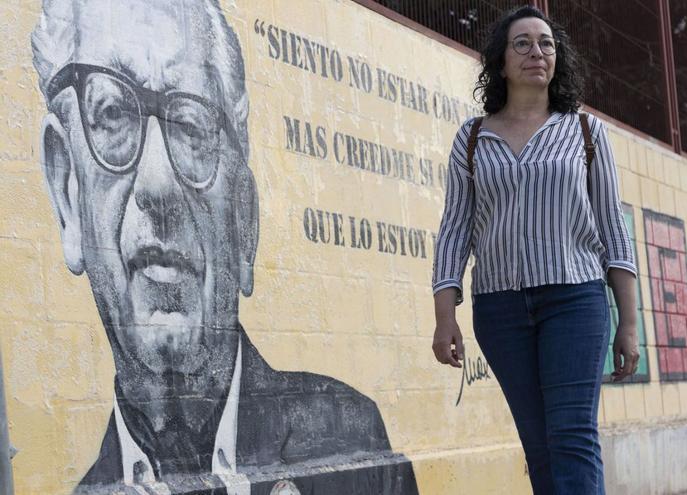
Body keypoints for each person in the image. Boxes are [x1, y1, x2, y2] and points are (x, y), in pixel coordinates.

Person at [31, 0, 418, 493]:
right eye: (112, 115)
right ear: (67, 195)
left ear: (243, 220)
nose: (158, 182)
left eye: (192, 128)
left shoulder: (357, 450)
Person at [431, 6, 639, 494]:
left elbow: (613, 227)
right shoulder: (473, 137)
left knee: (572, 436)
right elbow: (455, 229)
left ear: (557, 59)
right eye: (521, 44)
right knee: (539, 443)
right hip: (500, 309)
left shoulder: (586, 133)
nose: (536, 52)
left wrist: (628, 324)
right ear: (501, 63)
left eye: (546, 43)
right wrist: (445, 316)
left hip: (576, 300)